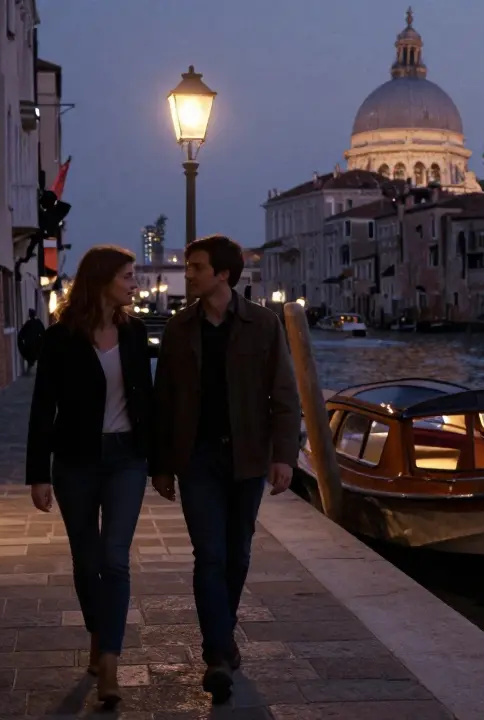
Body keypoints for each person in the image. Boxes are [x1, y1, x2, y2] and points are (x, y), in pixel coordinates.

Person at [152, 234, 301, 704]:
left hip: (249, 455)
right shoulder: (179, 328)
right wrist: (161, 464)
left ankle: (221, 636)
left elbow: (285, 394)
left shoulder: (263, 324)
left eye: (196, 267)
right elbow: (164, 400)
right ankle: (217, 652)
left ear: (223, 274)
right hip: (197, 458)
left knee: (237, 554)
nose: (188, 273)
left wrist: (284, 456)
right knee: (210, 555)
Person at [24, 245, 157, 707]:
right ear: (102, 280)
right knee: (86, 559)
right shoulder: (61, 339)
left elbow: (148, 403)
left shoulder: (136, 333)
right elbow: (44, 408)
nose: (134, 282)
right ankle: (98, 638)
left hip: (126, 460)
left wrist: (159, 463)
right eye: (127, 275)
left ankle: (110, 664)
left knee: (115, 558)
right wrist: (38, 474)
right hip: (76, 461)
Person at [17, 308, 45, 373]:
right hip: (35, 344)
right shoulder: (37, 323)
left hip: (30, 345)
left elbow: (21, 334)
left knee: (31, 357)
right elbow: (43, 332)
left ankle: (30, 369)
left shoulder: (28, 323)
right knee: (35, 357)